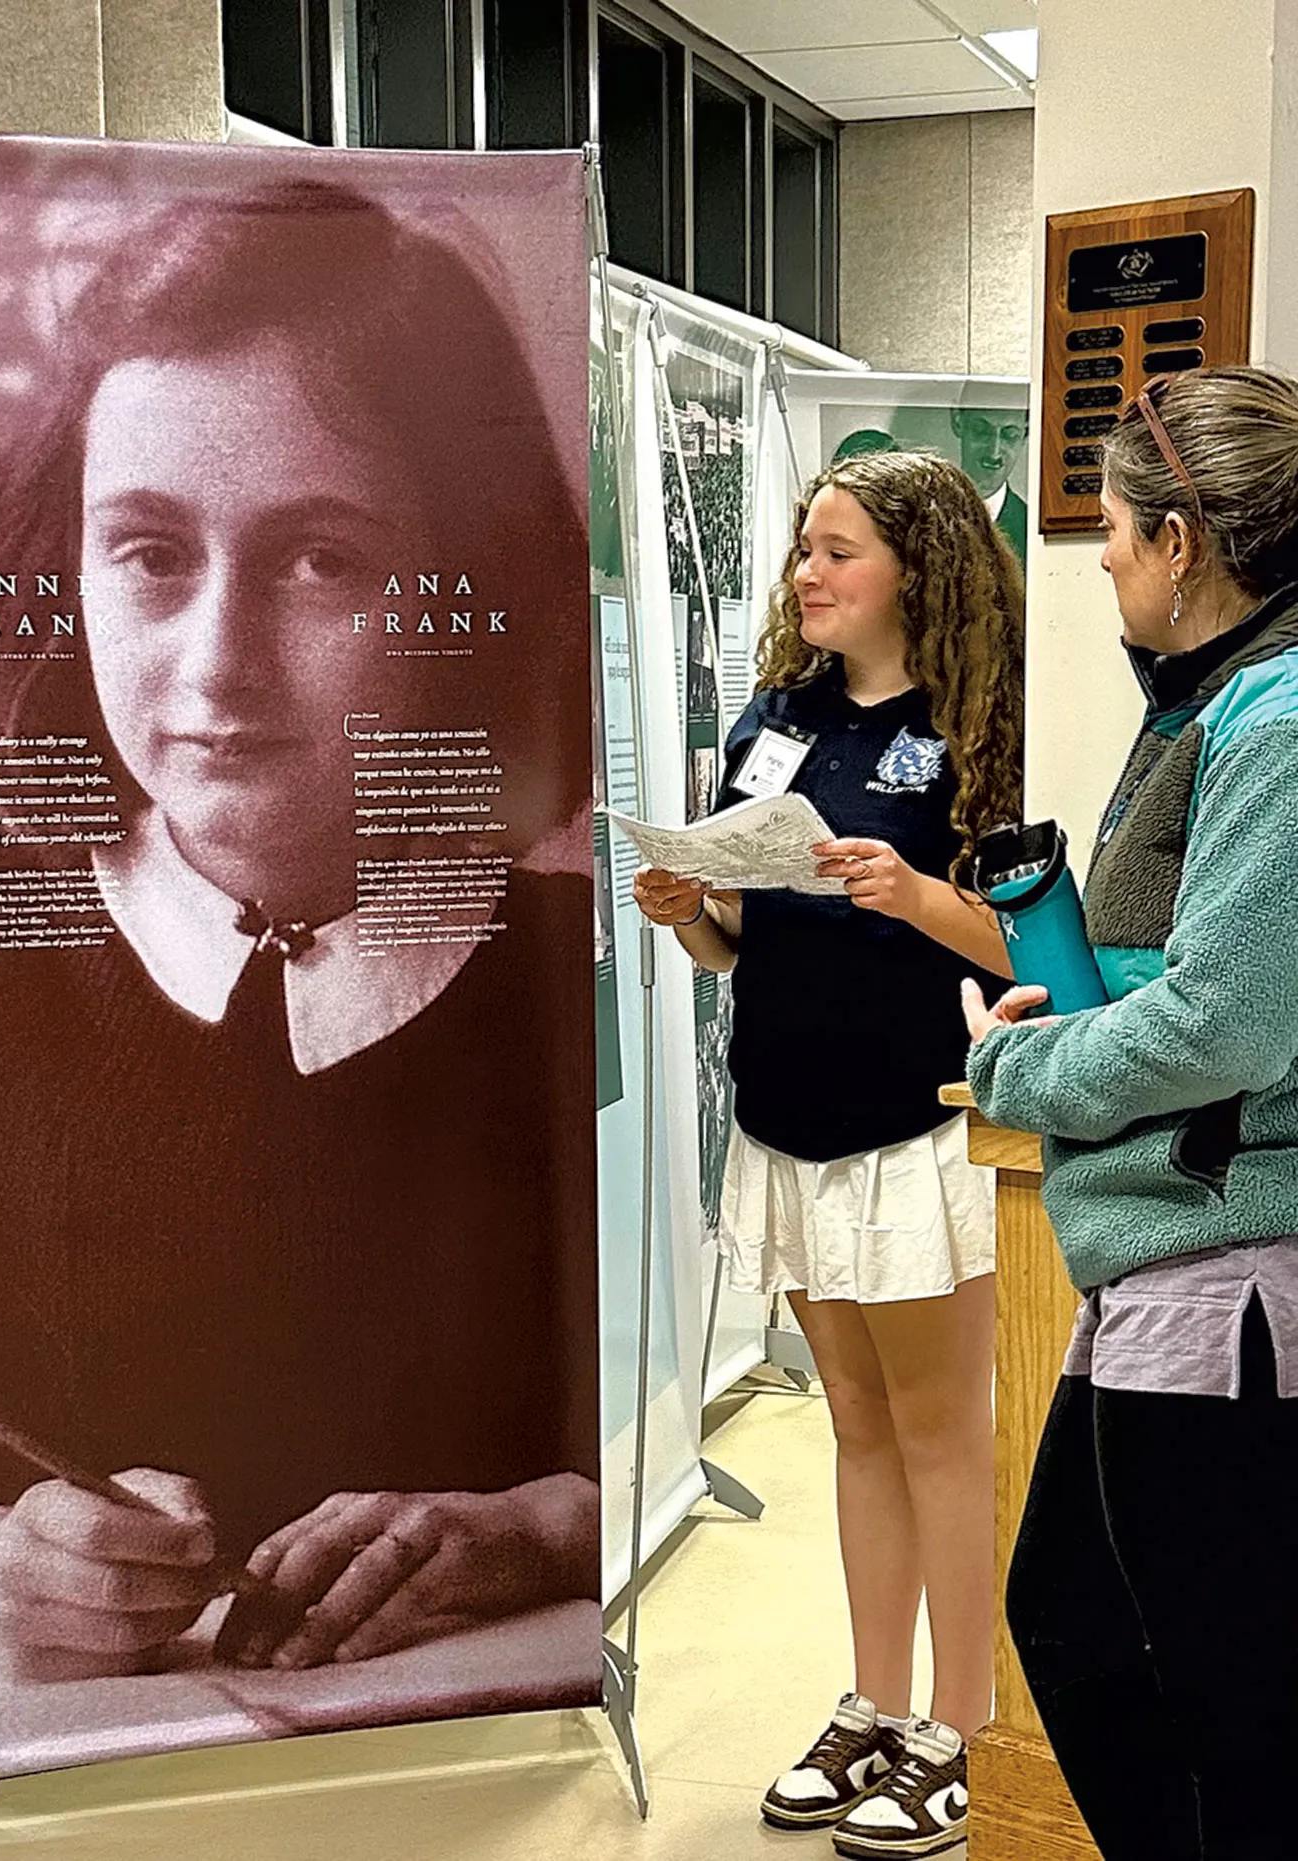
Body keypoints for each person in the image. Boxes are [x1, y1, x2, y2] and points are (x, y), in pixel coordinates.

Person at [0, 180, 601, 1724]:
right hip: (75, 1791)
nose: (214, 668)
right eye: (146, 553)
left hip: (497, 1778)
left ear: (464, 592)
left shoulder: (578, 970)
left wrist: (546, 1531)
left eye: (322, 560)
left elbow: (731, 1407)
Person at [633, 449, 1023, 1860]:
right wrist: (688, 911)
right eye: (805, 547)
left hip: (917, 1131)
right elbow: (738, 943)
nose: (808, 572)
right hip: (784, 1122)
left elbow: (1038, 949)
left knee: (939, 1435)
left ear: (915, 569)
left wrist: (918, 892)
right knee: (857, 1429)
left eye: (838, 550)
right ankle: (874, 1701)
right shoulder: (770, 724)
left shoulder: (985, 731)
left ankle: (962, 1729)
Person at [966, 365, 1298, 1861]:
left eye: (1105, 524)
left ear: (1183, 543)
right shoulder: (1222, 708)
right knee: (1080, 1624)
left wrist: (1019, 1069)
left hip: (1235, 1277)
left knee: (1227, 1704)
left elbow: (1228, 1021)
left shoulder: (1281, 724)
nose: (1095, 555)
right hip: (1171, 1257)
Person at [949, 405, 1032, 562]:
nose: (994, 452)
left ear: (1025, 434)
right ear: (957, 421)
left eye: (1009, 435)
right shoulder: (924, 514)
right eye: (981, 431)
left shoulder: (1030, 530)